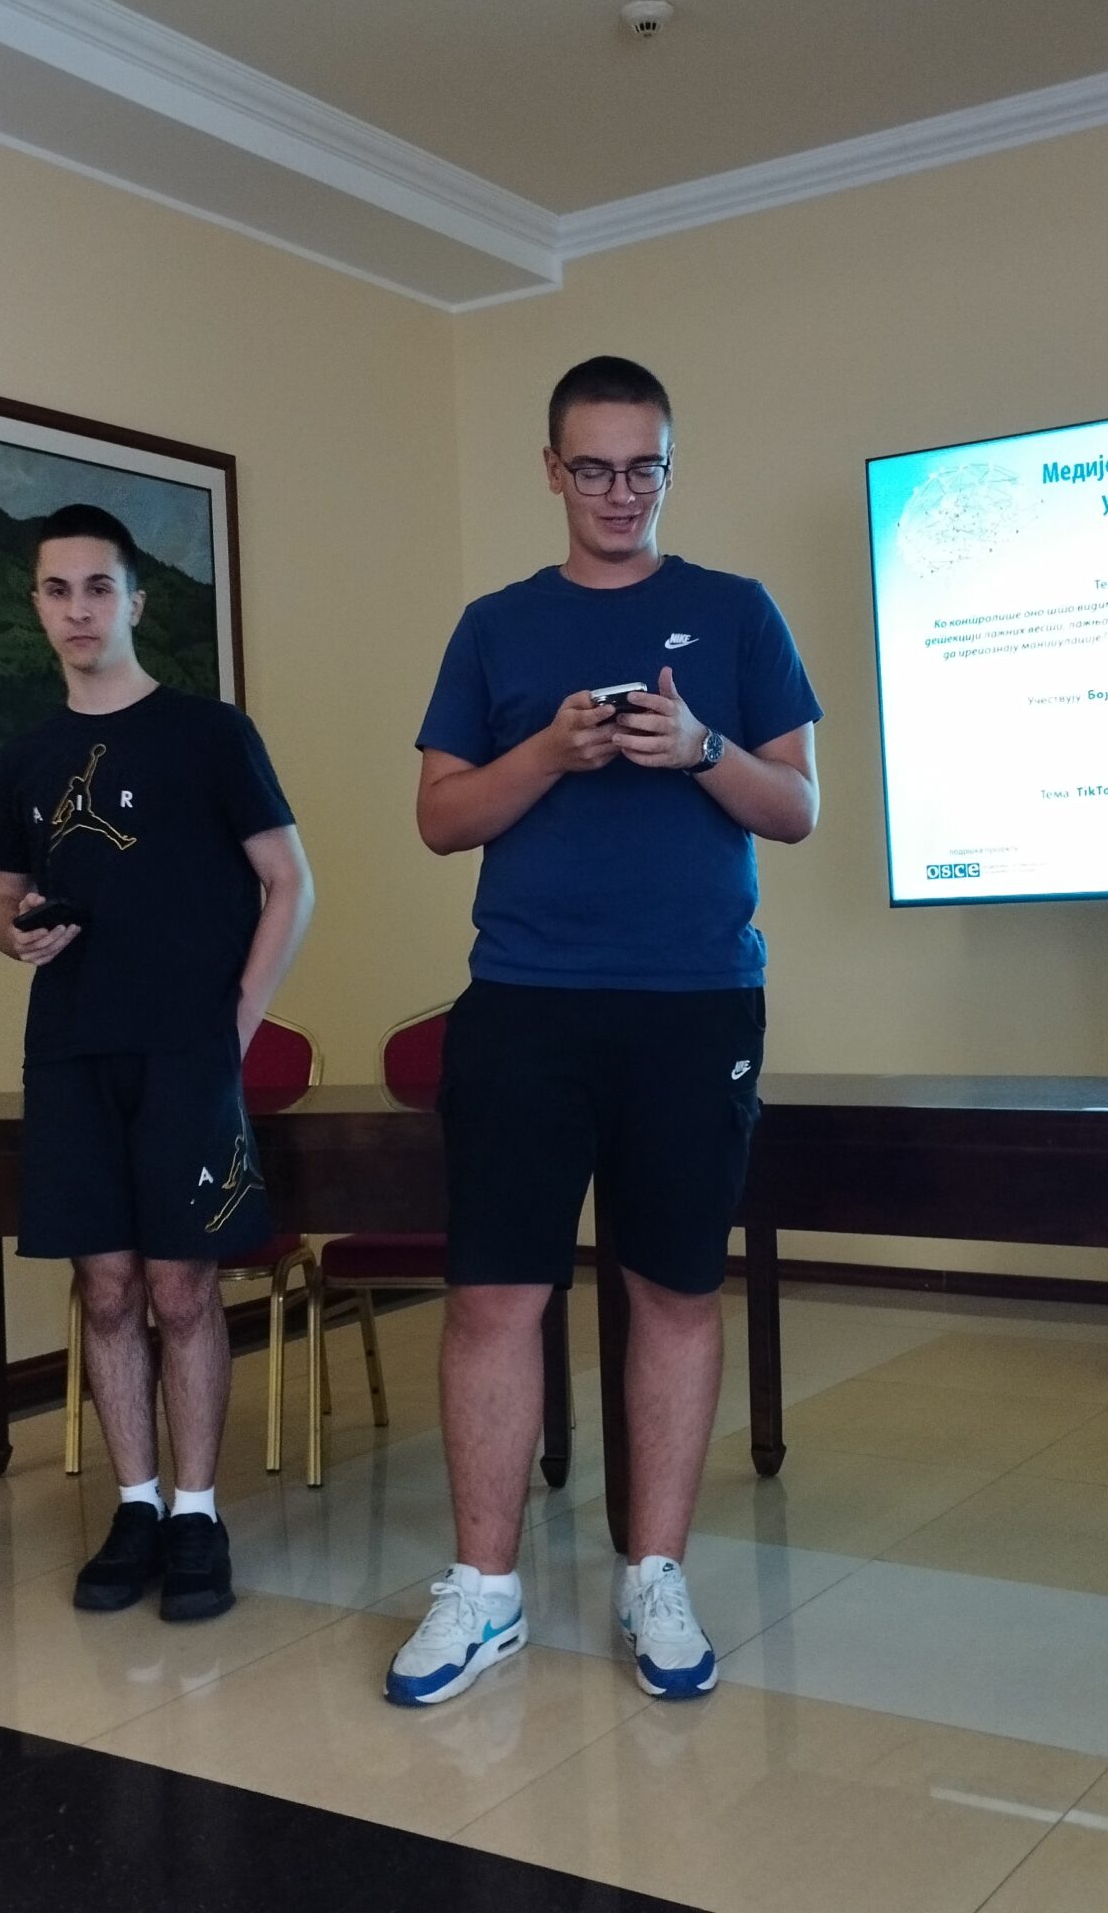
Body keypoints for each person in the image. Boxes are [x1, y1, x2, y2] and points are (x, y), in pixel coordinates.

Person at [388, 357, 823, 1705]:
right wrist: (547, 754)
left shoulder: (736, 611)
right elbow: (440, 817)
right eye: (595, 467)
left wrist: (698, 747)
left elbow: (796, 807)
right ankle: (484, 1590)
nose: (621, 492)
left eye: (645, 468)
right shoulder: (496, 626)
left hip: (694, 1003)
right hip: (525, 1003)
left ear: (668, 469)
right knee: (494, 1296)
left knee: (674, 1291)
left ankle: (655, 1572)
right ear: (552, 470)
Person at [0, 503, 313, 1623]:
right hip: (70, 1049)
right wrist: (15, 933)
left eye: (97, 588)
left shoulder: (210, 734)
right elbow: (3, 899)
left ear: (134, 600)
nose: (78, 609)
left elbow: (290, 881)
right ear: (37, 604)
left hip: (186, 1050)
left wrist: (239, 1022)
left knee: (182, 1284)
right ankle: (135, 1503)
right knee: (108, 1286)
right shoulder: (24, 754)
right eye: (56, 589)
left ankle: (198, 1512)